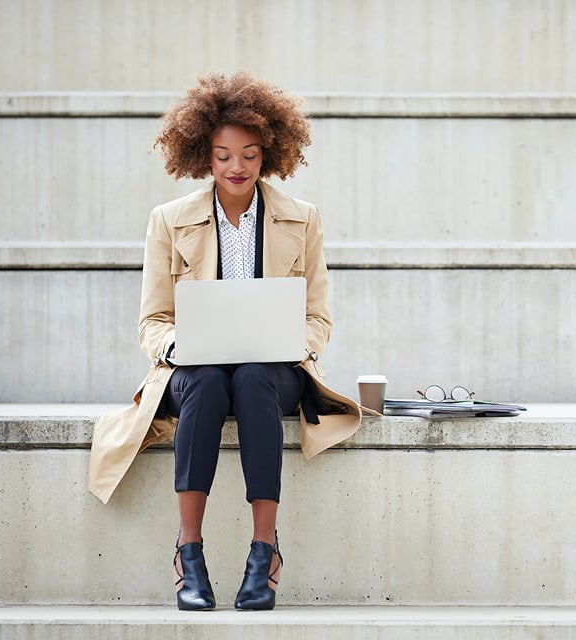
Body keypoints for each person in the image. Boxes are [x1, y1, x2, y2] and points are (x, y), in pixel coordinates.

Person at [87, 71, 367, 611]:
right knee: (209, 381)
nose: (236, 167)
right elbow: (153, 321)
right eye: (222, 156)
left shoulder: (302, 219)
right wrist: (178, 346)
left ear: (269, 154)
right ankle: (188, 552)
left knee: (255, 378)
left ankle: (265, 551)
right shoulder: (169, 221)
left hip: (274, 370)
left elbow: (318, 318)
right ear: (202, 157)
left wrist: (294, 342)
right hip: (194, 370)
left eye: (249, 154)